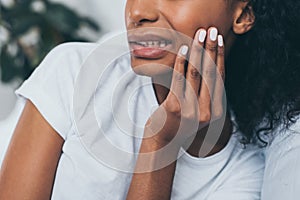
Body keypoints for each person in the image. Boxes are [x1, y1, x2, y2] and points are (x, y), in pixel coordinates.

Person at [1, 0, 297, 199]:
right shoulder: (73, 72)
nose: (138, 11)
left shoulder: (242, 178)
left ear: (244, 15)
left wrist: (159, 144)